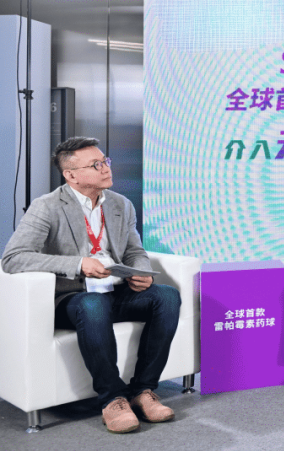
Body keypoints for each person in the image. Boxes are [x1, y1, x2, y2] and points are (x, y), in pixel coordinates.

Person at [2, 137, 181, 433]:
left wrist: (141, 272)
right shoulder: (47, 207)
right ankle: (112, 399)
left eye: (105, 161)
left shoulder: (121, 204)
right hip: (73, 299)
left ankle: (143, 390)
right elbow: (14, 258)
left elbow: (134, 251)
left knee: (167, 296)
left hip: (116, 293)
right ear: (71, 175)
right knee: (92, 304)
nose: (106, 168)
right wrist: (78, 264)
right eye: (95, 165)